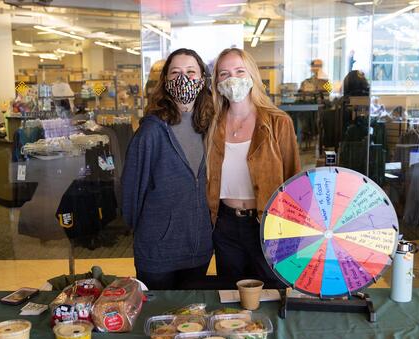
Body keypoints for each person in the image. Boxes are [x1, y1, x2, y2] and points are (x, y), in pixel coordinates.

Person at [121, 48, 215, 290]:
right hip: (158, 253)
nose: (183, 78)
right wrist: (152, 232)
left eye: (191, 72)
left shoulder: (210, 127)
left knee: (191, 317)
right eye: (175, 73)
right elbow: (131, 192)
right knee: (158, 320)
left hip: (198, 249)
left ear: (202, 79)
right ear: (165, 81)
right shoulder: (151, 132)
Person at [207, 48, 301, 286]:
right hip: (225, 225)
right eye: (224, 74)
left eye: (240, 71)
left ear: (252, 76)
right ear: (216, 81)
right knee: (231, 295)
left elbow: (294, 180)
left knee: (272, 290)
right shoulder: (211, 126)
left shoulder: (278, 122)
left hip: (266, 224)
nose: (233, 79)